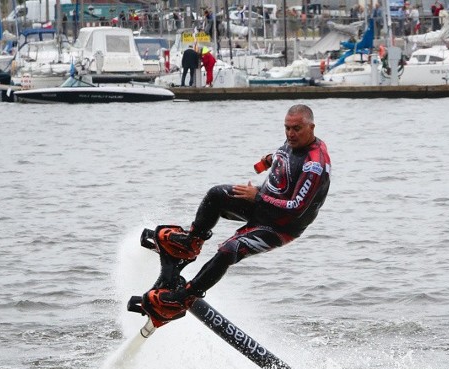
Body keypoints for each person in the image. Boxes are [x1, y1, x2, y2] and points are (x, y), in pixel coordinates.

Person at [142, 105, 332, 327]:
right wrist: (268, 161)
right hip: (262, 203)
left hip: (281, 225)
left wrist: (258, 197)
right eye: (287, 128)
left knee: (228, 250)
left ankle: (184, 297)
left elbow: (296, 207)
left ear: (311, 127)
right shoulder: (293, 142)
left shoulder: (315, 165)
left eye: (297, 129)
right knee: (216, 194)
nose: (290, 133)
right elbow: (285, 156)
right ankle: (190, 243)